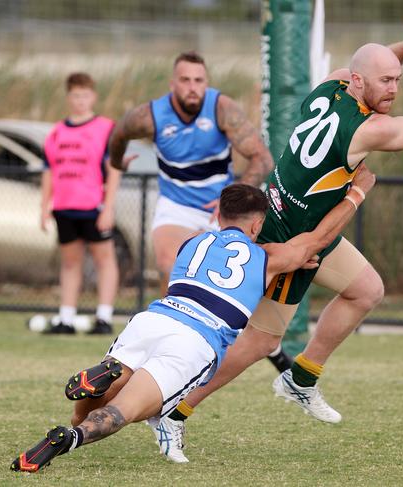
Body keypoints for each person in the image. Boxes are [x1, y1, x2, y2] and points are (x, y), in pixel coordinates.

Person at [150, 15, 403, 462]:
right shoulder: (364, 129)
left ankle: (301, 379)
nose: (394, 88)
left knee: (367, 290)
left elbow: (370, 66)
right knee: (258, 343)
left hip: (308, 225)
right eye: (386, 81)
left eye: (397, 79)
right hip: (292, 238)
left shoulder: (330, 87)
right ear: (358, 82)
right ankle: (174, 412)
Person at [10, 175, 375, 472]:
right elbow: (320, 241)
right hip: (195, 339)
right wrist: (356, 194)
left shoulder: (192, 241)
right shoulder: (269, 256)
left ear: (218, 216)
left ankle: (96, 389)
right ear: (258, 224)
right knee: (134, 410)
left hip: (154, 319)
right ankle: (72, 439)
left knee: (103, 392)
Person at [108, 51, 292, 370]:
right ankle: (172, 350)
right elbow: (119, 133)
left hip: (219, 212)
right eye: (185, 80)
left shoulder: (222, 109)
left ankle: (268, 343)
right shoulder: (150, 116)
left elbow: (262, 159)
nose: (193, 87)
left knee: (246, 278)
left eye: (199, 80)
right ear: (172, 84)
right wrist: (116, 162)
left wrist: (229, 198)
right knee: (170, 263)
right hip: (176, 207)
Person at [41, 72, 122, 334]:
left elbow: (114, 169)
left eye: (85, 95)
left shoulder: (105, 127)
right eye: (76, 95)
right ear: (68, 97)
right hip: (65, 206)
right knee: (69, 262)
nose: (80, 101)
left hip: (93, 206)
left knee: (104, 259)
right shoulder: (56, 132)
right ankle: (66, 317)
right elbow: (49, 171)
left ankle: (104, 316)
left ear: (93, 97)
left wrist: (108, 207)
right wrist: (44, 206)